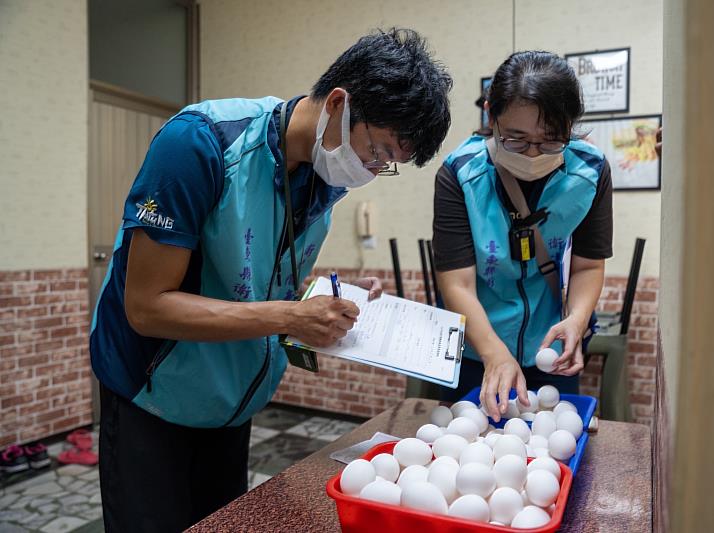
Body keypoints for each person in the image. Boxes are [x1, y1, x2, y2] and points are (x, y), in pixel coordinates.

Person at [90, 28, 452, 532]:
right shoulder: (201, 144)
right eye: (378, 151)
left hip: (231, 400)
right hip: (153, 396)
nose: (372, 169)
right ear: (340, 104)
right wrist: (291, 315)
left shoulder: (321, 180)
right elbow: (147, 308)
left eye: (387, 164)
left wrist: (333, 300)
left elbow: (264, 284)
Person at [432, 51, 612, 422]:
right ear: (490, 115)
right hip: (476, 349)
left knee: (552, 448)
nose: (533, 154)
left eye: (550, 141)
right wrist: (493, 353)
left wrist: (577, 320)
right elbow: (458, 283)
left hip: (550, 347)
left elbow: (589, 265)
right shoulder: (460, 174)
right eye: (515, 139)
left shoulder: (590, 172)